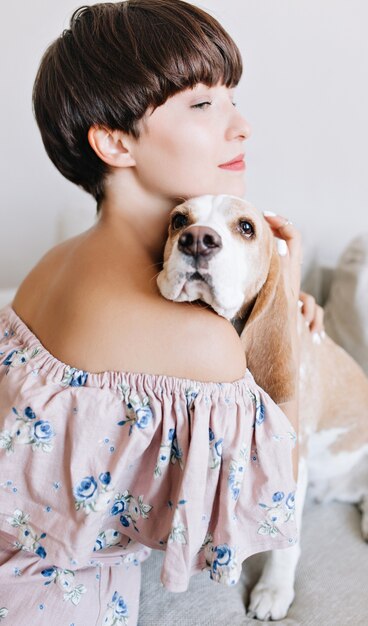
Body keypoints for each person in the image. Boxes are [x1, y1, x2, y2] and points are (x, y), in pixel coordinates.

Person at [0, 1, 323, 623]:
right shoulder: (195, 346)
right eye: (205, 105)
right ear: (116, 142)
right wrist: (284, 283)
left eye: (232, 98)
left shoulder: (53, 264)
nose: (242, 126)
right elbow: (265, 497)